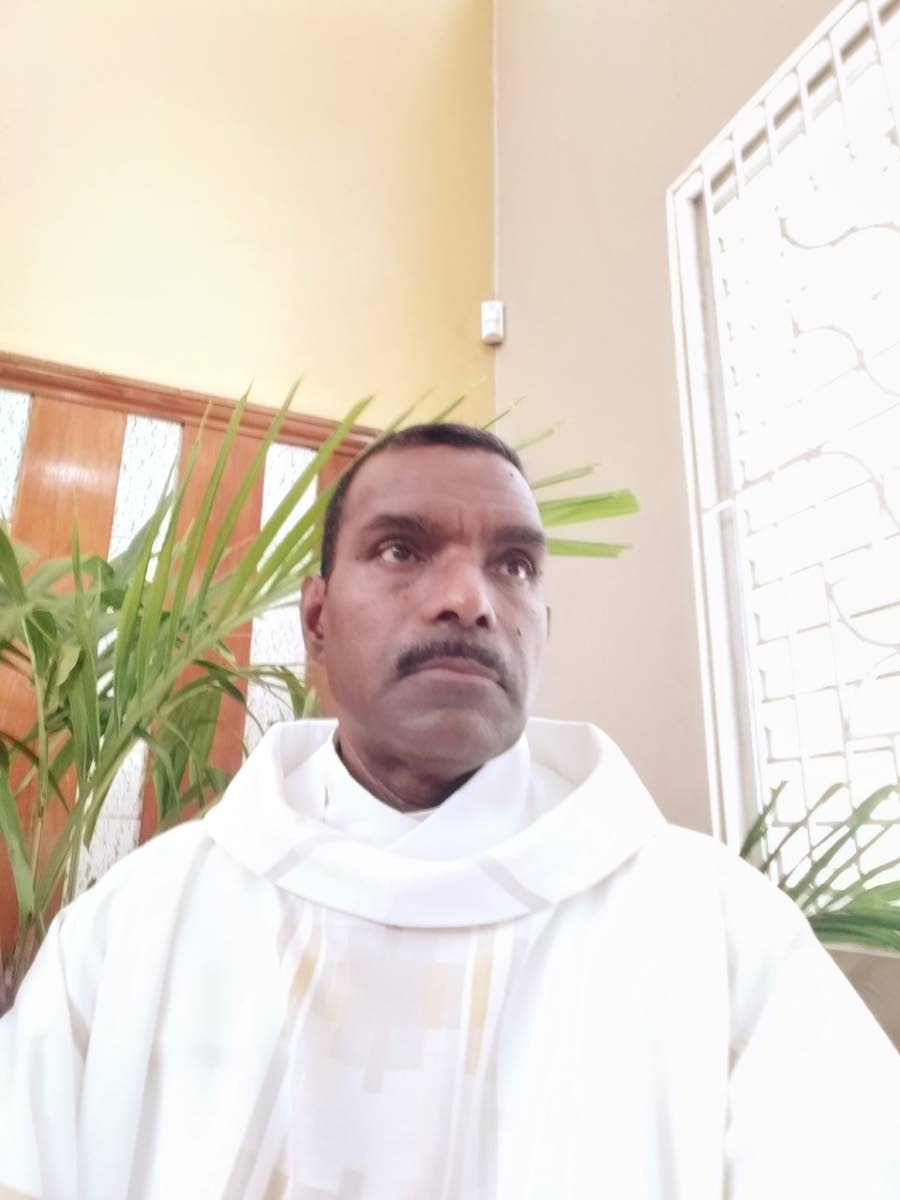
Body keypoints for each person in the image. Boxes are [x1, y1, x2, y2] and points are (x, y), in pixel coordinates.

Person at [0, 424, 898, 1200]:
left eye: (514, 565)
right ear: (316, 622)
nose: (469, 600)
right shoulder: (134, 928)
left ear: (544, 628)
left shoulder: (718, 929)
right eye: (401, 550)